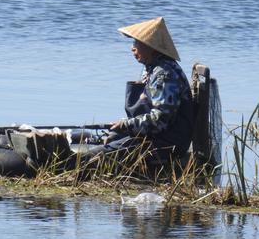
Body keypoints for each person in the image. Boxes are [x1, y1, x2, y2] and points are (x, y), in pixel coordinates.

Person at [80, 16, 194, 170]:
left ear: (151, 47)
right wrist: (123, 127)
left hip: (165, 145)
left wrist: (126, 124)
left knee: (91, 157)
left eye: (137, 43)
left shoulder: (164, 74)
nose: (132, 48)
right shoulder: (153, 68)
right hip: (154, 138)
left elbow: (160, 120)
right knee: (107, 139)